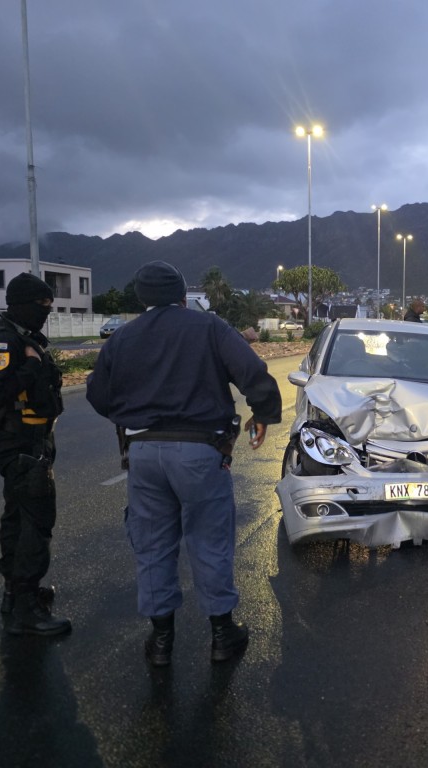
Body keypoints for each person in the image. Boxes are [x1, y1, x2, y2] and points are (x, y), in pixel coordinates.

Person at [86, 261, 282, 666]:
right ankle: (222, 636)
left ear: (141, 298)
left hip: (143, 453)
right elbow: (251, 371)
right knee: (210, 539)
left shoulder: (122, 337)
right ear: (182, 295)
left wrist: (133, 415)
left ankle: (161, 641)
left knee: (152, 543)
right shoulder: (209, 327)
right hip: (199, 451)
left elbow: (98, 395)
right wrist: (262, 411)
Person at [0, 272, 71, 636]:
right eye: (41, 304)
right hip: (19, 443)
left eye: (50, 303)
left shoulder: (24, 336)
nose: (47, 310)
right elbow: (0, 396)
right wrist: (31, 366)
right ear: (21, 304)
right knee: (36, 521)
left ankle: (15, 593)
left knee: (18, 517)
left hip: (32, 440)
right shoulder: (4, 341)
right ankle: (27, 609)